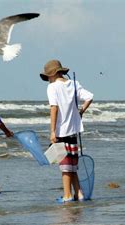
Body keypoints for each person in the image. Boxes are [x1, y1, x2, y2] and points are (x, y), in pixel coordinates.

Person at [40, 59, 94, 202]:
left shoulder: (52, 88)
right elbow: (89, 97)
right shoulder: (74, 84)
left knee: (65, 167)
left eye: (48, 77)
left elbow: (54, 108)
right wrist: (81, 111)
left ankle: (67, 195)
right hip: (73, 131)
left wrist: (52, 131)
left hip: (61, 132)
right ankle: (79, 194)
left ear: (53, 74)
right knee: (72, 165)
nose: (48, 80)